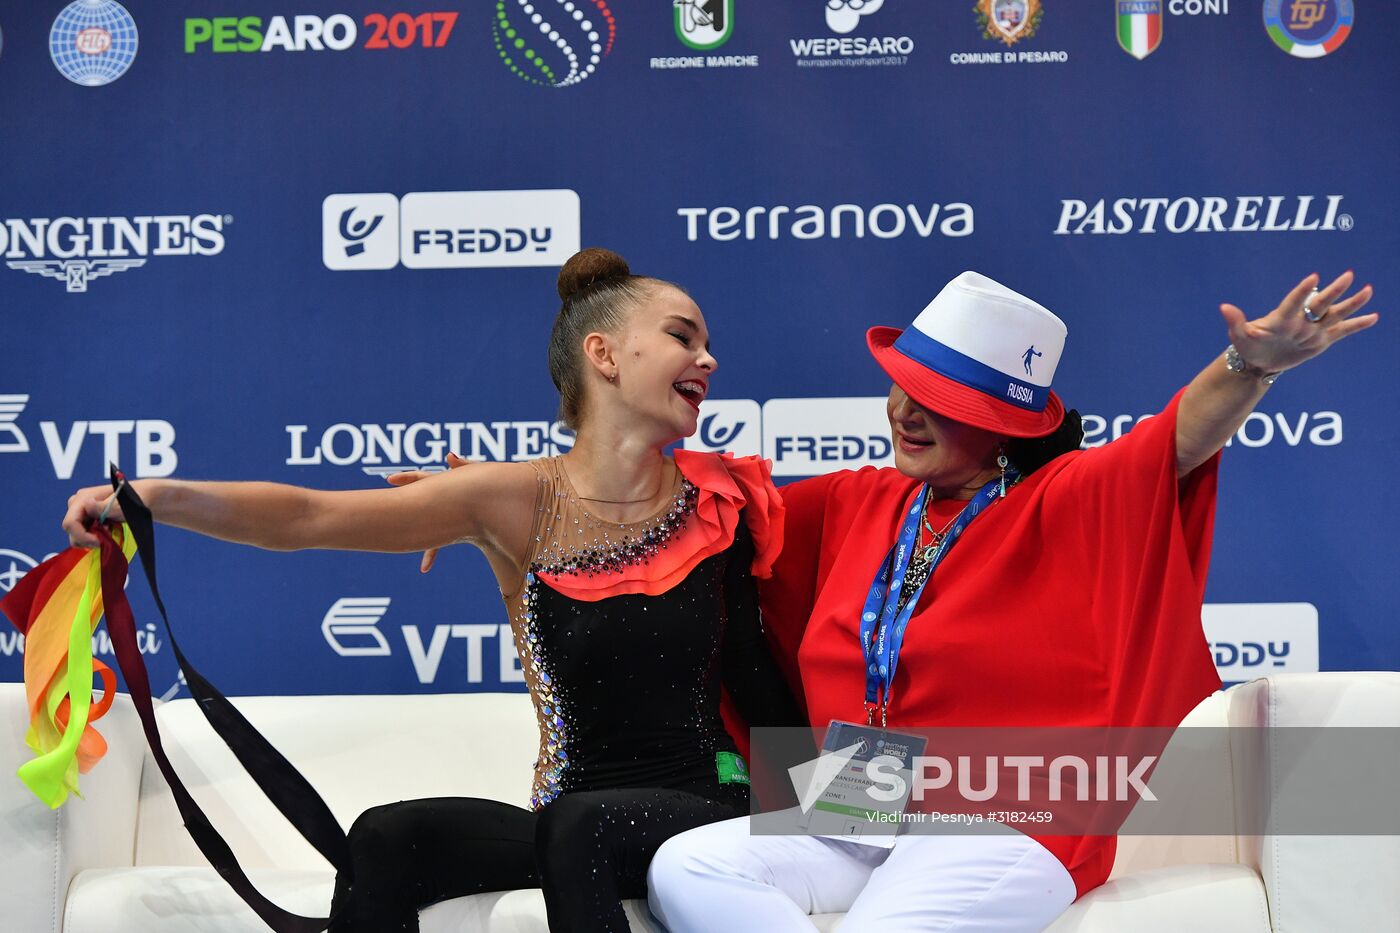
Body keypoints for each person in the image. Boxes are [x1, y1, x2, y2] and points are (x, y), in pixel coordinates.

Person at [61, 247, 803, 932]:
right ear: (604, 354)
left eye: (706, 343)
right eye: (682, 336)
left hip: (706, 809)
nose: (708, 358)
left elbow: (758, 678)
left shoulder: (719, 503)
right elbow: (309, 517)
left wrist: (850, 819)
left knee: (579, 826)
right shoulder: (510, 500)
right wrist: (155, 498)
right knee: (388, 835)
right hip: (569, 818)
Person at [645, 269, 1377, 932]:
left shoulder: (1061, 498)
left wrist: (1250, 366)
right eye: (904, 386)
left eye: (941, 402)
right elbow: (704, 515)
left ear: (1002, 425)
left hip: (1008, 814)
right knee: (687, 866)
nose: (906, 412)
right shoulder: (860, 500)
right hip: (862, 796)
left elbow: (1176, 443)